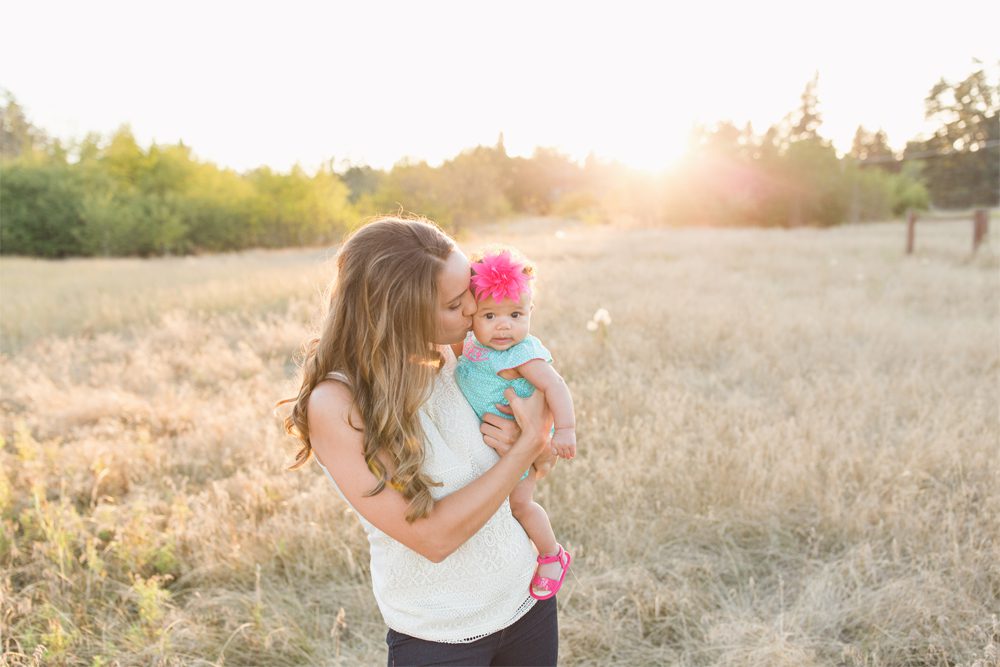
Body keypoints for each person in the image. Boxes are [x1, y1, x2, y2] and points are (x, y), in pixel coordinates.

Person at [280, 216, 560, 666]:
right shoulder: (337, 403)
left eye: (468, 290)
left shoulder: (459, 355)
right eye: (455, 304)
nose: (474, 309)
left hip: (526, 601)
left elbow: (536, 462)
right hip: (441, 638)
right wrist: (525, 447)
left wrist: (535, 446)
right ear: (399, 313)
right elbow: (433, 537)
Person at [453, 247, 576, 600]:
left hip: (522, 438)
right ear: (472, 315)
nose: (504, 325)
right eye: (490, 315)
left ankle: (552, 554)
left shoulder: (522, 354)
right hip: (496, 443)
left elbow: (555, 385)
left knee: (520, 506)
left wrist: (564, 431)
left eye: (516, 314)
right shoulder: (474, 344)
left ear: (530, 313)